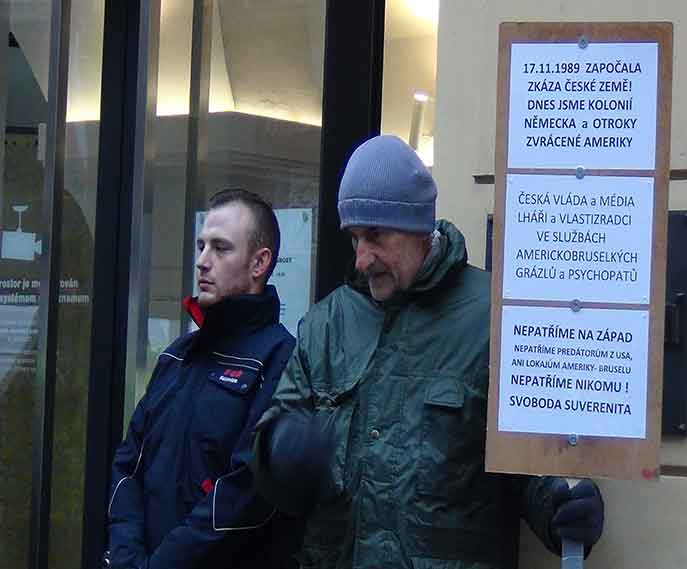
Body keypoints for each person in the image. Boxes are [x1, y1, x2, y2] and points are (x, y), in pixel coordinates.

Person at [251, 136, 604, 568]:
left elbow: (527, 463)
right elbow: (272, 464)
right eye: (355, 238)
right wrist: (278, 450)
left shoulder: (491, 319)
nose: (361, 259)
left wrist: (561, 508)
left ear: (419, 228)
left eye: (375, 235)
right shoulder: (327, 324)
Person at [107, 189, 302, 569]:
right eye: (201, 246)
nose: (202, 261)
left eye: (220, 248)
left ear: (259, 263)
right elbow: (127, 464)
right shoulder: (177, 356)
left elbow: (247, 493)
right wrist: (128, 557)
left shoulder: (281, 360)